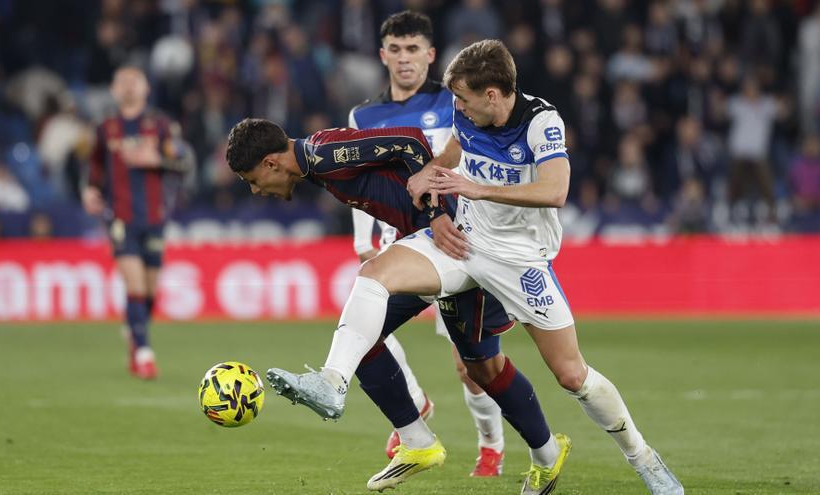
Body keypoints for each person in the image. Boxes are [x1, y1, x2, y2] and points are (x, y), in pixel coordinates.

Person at [267, 40, 684, 495]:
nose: (457, 107)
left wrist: (479, 188)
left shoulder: (541, 122)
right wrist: (432, 170)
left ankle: (644, 459)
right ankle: (333, 383)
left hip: (520, 259)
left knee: (571, 375)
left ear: (492, 95)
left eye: (463, 99)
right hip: (462, 240)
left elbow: (556, 190)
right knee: (373, 278)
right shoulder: (468, 115)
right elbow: (452, 149)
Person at [225, 119, 568, 493]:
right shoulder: (316, 164)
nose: (256, 190)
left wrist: (436, 215)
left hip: (459, 241)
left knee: (483, 368)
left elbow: (409, 140)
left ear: (272, 163)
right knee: (363, 335)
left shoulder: (323, 155)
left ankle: (549, 456)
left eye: (252, 179)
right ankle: (416, 441)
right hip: (428, 247)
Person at [348, 10, 505, 475]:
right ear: (382, 55)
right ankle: (415, 405)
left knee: (471, 365)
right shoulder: (364, 115)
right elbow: (358, 180)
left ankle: (490, 444)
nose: (404, 59)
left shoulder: (458, 101)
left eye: (413, 49)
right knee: (363, 323)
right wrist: (364, 241)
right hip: (401, 242)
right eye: (395, 49)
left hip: (459, 239)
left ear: (430, 55)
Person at [82, 66, 190, 380]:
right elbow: (95, 167)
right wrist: (90, 191)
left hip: (155, 217)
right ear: (114, 90)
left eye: (134, 81)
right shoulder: (106, 128)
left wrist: (156, 160)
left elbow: (182, 161)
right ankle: (144, 353)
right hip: (120, 217)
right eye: (122, 82)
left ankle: (134, 332)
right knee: (135, 284)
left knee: (150, 292)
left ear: (146, 88)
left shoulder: (161, 126)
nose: (128, 87)